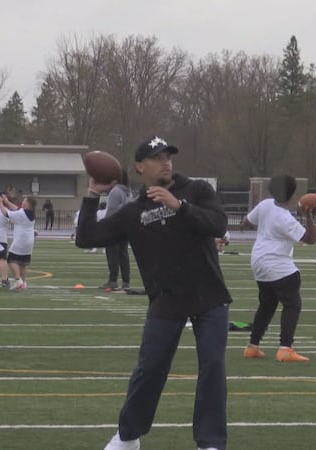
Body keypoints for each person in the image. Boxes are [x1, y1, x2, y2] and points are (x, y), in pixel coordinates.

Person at [76, 136, 232, 450]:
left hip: (209, 296)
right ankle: (128, 436)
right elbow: (87, 236)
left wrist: (180, 207)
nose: (165, 162)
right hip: (166, 299)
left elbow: (219, 223)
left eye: (168, 156)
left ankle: (210, 442)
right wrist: (93, 194)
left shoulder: (197, 190)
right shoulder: (134, 211)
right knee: (149, 369)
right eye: (157, 157)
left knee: (212, 367)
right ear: (139, 166)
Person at [242, 174, 316, 363]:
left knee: (267, 305)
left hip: (258, 261)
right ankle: (285, 349)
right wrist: (308, 215)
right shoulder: (285, 218)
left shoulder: (266, 204)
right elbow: (310, 239)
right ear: (293, 194)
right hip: (277, 263)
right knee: (293, 304)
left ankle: (252, 346)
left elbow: (246, 222)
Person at [0, 195, 36, 291]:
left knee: (11, 259)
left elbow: (6, 213)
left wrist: (0, 203)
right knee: (22, 262)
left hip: (21, 240)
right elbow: (17, 209)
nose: (22, 202)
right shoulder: (30, 213)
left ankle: (18, 280)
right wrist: (7, 201)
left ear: (27, 204)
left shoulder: (22, 213)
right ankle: (23, 282)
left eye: (24, 201)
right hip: (29, 240)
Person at [101, 170, 132, 291]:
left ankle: (113, 280)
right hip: (125, 226)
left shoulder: (115, 191)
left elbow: (111, 211)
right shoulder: (128, 192)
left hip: (114, 227)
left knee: (112, 254)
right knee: (123, 254)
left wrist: (105, 225)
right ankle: (126, 281)